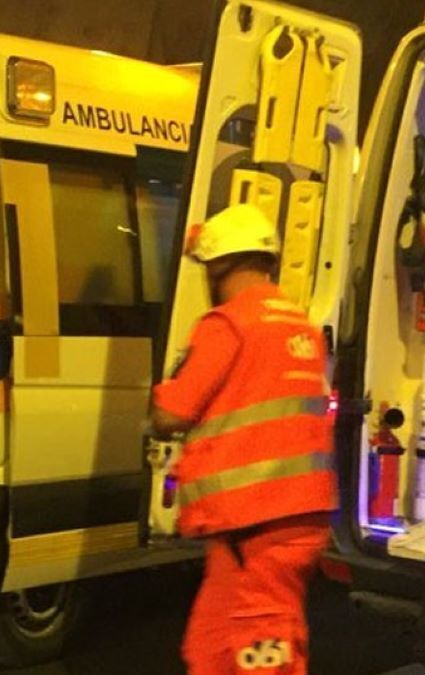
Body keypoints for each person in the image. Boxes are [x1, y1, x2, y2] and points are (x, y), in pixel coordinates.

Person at [150, 204, 336, 675]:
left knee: (261, 652)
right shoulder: (300, 327)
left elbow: (171, 414)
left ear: (219, 266)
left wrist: (162, 398)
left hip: (257, 527)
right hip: (284, 521)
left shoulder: (229, 324)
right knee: (210, 651)